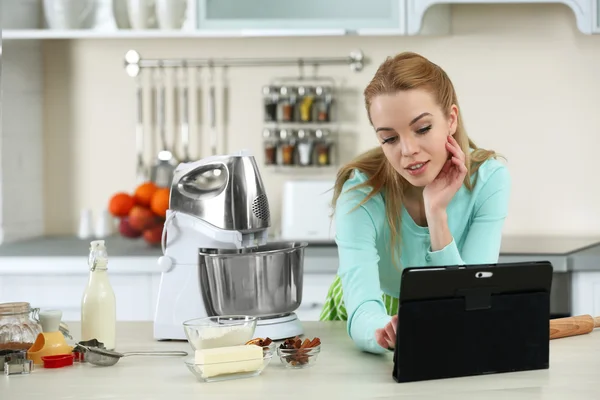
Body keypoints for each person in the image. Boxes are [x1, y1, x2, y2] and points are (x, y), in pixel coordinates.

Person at [319, 52, 511, 354]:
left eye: (422, 129)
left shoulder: (489, 180)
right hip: (366, 326)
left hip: (450, 314)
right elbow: (363, 308)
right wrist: (385, 331)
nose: (407, 150)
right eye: (389, 139)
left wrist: (437, 214)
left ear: (450, 119)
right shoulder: (360, 193)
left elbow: (471, 299)